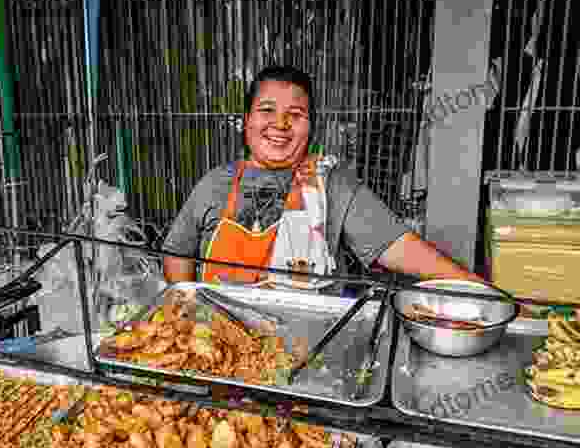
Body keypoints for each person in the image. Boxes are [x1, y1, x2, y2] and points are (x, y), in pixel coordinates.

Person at [162, 65, 484, 290]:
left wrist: (477, 288)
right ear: (247, 122)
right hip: (220, 354)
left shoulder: (330, 184)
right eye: (267, 110)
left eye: (295, 115)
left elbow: (399, 247)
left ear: (311, 126)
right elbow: (177, 252)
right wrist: (187, 310)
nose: (280, 124)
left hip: (305, 355)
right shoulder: (214, 183)